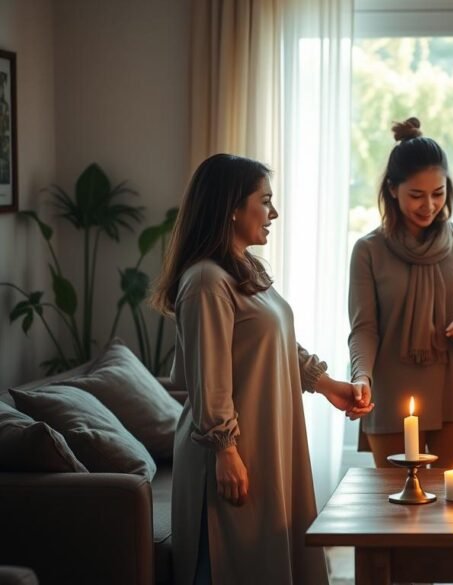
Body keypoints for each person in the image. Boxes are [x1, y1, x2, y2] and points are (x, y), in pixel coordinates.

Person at [152, 154, 373, 585]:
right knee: (230, 563)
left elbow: (278, 344)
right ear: (232, 207)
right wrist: (225, 450)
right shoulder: (204, 282)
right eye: (265, 201)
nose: (273, 213)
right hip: (233, 449)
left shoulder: (243, 269)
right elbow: (208, 378)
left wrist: (327, 385)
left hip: (263, 439)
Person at [348, 117, 453, 468]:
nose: (429, 205)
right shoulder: (368, 250)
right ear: (393, 190)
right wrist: (360, 376)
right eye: (416, 195)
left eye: (438, 194)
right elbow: (364, 328)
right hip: (392, 395)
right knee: (396, 511)